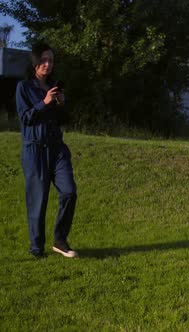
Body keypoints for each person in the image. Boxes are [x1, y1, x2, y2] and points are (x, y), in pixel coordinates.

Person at [15, 42, 78, 258]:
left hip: (57, 148)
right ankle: (37, 248)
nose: (47, 64)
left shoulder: (54, 87)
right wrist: (45, 102)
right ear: (35, 62)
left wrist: (61, 103)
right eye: (43, 60)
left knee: (69, 191)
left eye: (51, 60)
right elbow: (25, 118)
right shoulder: (24, 88)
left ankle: (60, 240)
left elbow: (65, 119)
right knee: (38, 200)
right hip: (35, 150)